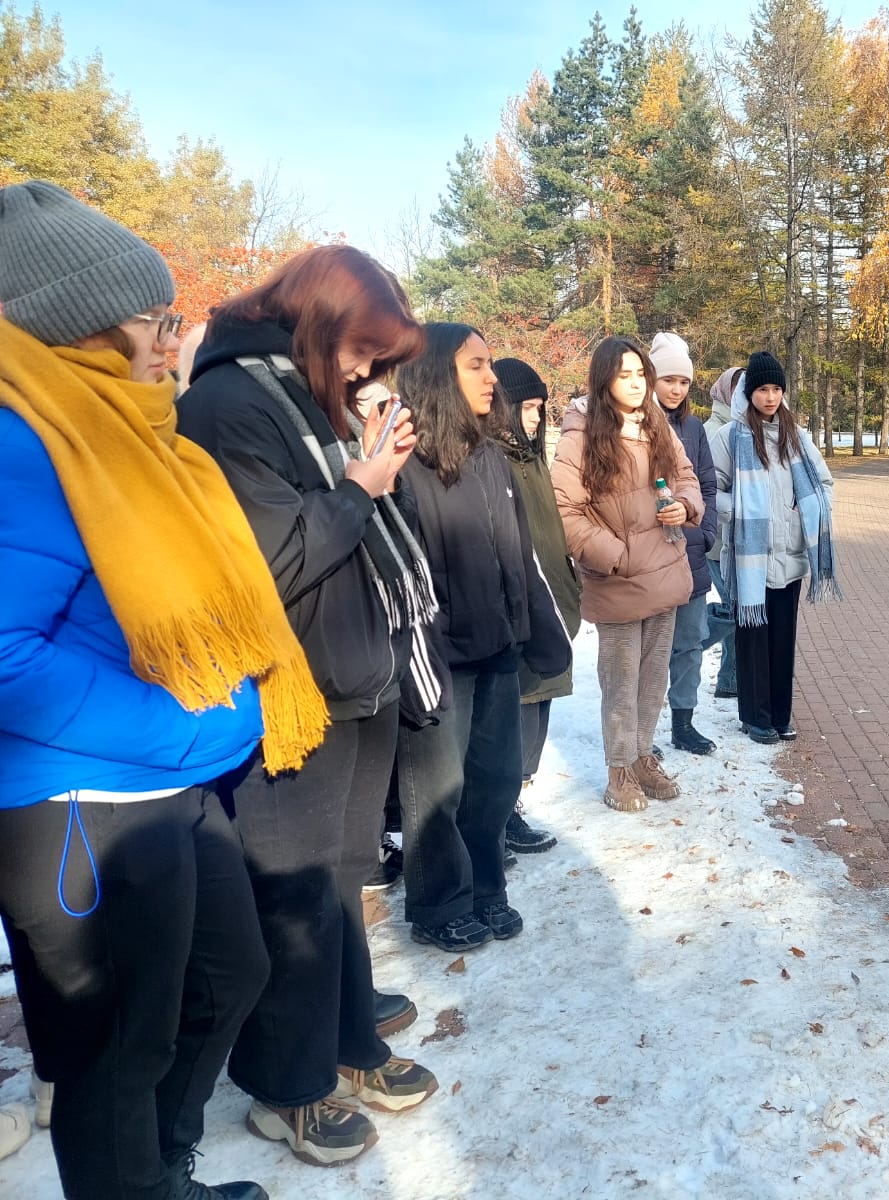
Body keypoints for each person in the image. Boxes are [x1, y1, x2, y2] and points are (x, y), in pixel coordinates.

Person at [0, 180, 330, 1200]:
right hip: (76, 809)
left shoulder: (130, 438)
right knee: (109, 1053)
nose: (168, 342)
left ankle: (161, 1170)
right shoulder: (24, 443)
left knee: (230, 977)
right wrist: (178, 717)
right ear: (81, 328)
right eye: (156, 320)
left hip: (167, 787)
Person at [178, 244, 442, 1166]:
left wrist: (375, 469)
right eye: (364, 351)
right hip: (291, 695)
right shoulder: (226, 402)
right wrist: (361, 484)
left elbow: (349, 524)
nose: (369, 371)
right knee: (290, 894)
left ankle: (348, 1047)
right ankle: (286, 1088)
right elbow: (274, 560)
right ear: (319, 324)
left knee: (340, 882)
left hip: (354, 675)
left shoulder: (302, 393)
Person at [395, 324, 572, 950]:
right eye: (476, 366)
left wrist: (542, 635)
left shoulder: (493, 456)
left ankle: (488, 888)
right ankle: (440, 903)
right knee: (438, 792)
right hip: (437, 663)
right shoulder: (402, 464)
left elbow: (520, 558)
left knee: (496, 779)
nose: (491, 377)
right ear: (438, 374)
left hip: (499, 650)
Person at [551, 335, 701, 812]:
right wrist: (615, 555)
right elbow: (564, 510)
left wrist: (684, 506)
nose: (637, 384)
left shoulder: (657, 425)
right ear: (604, 381)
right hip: (618, 581)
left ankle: (641, 758)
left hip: (666, 572)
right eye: (625, 375)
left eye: (641, 374)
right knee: (621, 685)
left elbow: (688, 477)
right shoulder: (580, 436)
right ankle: (618, 771)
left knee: (653, 681)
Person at [709, 351, 840, 745]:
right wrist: (745, 512)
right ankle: (755, 717)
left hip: (790, 556)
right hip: (751, 559)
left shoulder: (795, 437)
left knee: (783, 640)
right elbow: (709, 490)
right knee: (753, 640)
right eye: (762, 389)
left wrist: (802, 510)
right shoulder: (729, 437)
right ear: (748, 393)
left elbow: (825, 485)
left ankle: (780, 715)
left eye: (776, 389)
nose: (770, 397)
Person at [493, 356, 581, 853]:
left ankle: (514, 803)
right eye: (525, 407)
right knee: (517, 713)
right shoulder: (493, 461)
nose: (533, 417)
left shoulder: (531, 460)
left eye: (539, 408)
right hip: (521, 612)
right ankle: (502, 810)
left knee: (538, 707)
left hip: (550, 604)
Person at [650, 333, 722, 755]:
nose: (676, 389)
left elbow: (708, 486)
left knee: (689, 643)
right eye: (668, 380)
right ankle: (642, 734)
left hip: (690, 555)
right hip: (650, 556)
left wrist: (706, 532)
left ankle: (684, 722)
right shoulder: (637, 424)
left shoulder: (694, 427)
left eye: (683, 382)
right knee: (650, 648)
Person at [702, 367, 742, 700]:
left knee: (738, 609)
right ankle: (684, 641)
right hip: (718, 543)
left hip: (742, 542)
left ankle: (730, 680)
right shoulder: (714, 431)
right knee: (734, 610)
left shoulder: (744, 427)